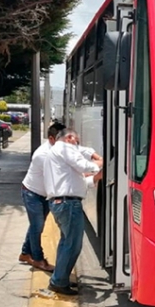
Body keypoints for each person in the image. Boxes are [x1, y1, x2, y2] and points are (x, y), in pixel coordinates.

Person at [18, 122, 102, 272]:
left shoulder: (61, 147)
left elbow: (81, 150)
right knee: (37, 226)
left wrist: (95, 156)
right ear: (52, 139)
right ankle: (37, 259)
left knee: (36, 224)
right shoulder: (44, 155)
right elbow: (70, 173)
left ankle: (25, 253)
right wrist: (95, 169)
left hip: (46, 194)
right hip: (33, 193)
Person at [44, 128, 103, 295]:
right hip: (68, 204)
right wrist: (103, 162)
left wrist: (96, 176)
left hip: (62, 203)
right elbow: (85, 166)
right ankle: (59, 282)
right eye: (76, 141)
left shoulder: (55, 152)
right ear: (69, 138)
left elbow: (75, 181)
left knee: (67, 243)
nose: (77, 146)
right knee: (72, 245)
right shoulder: (64, 148)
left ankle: (59, 278)